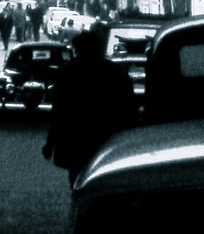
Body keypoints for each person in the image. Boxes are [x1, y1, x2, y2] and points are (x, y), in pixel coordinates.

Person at [42, 27, 137, 185]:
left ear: (77, 48)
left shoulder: (67, 72)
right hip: (106, 134)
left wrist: (50, 143)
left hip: (76, 135)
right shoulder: (114, 72)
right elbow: (129, 107)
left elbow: (59, 110)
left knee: (76, 177)